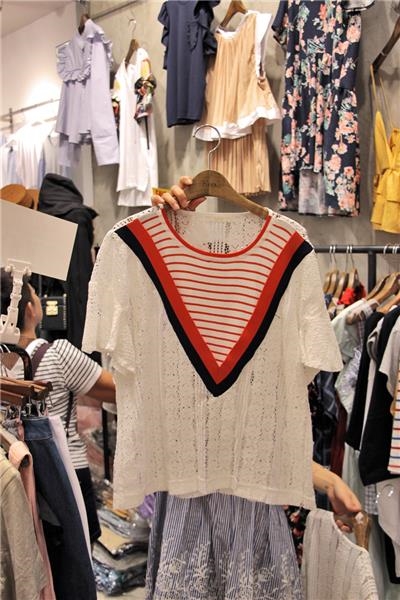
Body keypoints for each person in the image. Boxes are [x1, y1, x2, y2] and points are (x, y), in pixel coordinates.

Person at [144, 177, 364, 598]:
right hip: (190, 519)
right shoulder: (168, 314)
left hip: (254, 519)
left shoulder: (279, 300)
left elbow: (260, 447)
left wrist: (329, 482)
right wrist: (165, 235)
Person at [0, 267, 116, 544]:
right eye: (35, 295)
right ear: (30, 310)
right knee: (75, 556)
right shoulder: (58, 353)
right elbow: (116, 390)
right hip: (65, 473)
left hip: (16, 474)